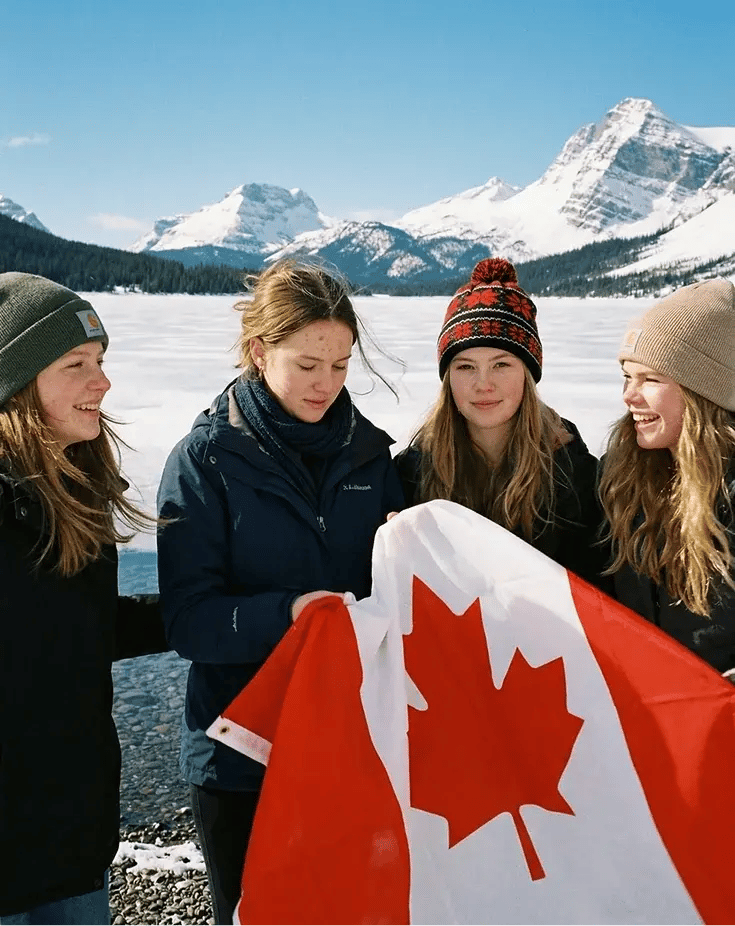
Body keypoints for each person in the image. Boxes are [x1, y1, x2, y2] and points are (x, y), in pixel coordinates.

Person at [156, 259, 404, 925]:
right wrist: (287, 614)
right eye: (307, 364)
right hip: (238, 754)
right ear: (259, 350)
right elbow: (187, 621)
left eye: (342, 365)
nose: (326, 384)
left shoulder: (369, 458)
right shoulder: (204, 460)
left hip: (347, 744)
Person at [0, 273, 167, 926]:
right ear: (17, 381)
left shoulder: (75, 491)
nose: (102, 382)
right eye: (77, 365)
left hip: (72, 841)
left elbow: (82, 632)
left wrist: (213, 612)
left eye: (100, 362)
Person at [395, 256, 607, 585]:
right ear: (447, 378)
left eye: (501, 365)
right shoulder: (412, 472)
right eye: (465, 367)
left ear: (527, 374)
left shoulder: (572, 475)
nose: (483, 384)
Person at [599, 277, 735, 673]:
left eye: (650, 379)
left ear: (703, 391)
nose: (629, 395)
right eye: (627, 376)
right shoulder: (622, 475)